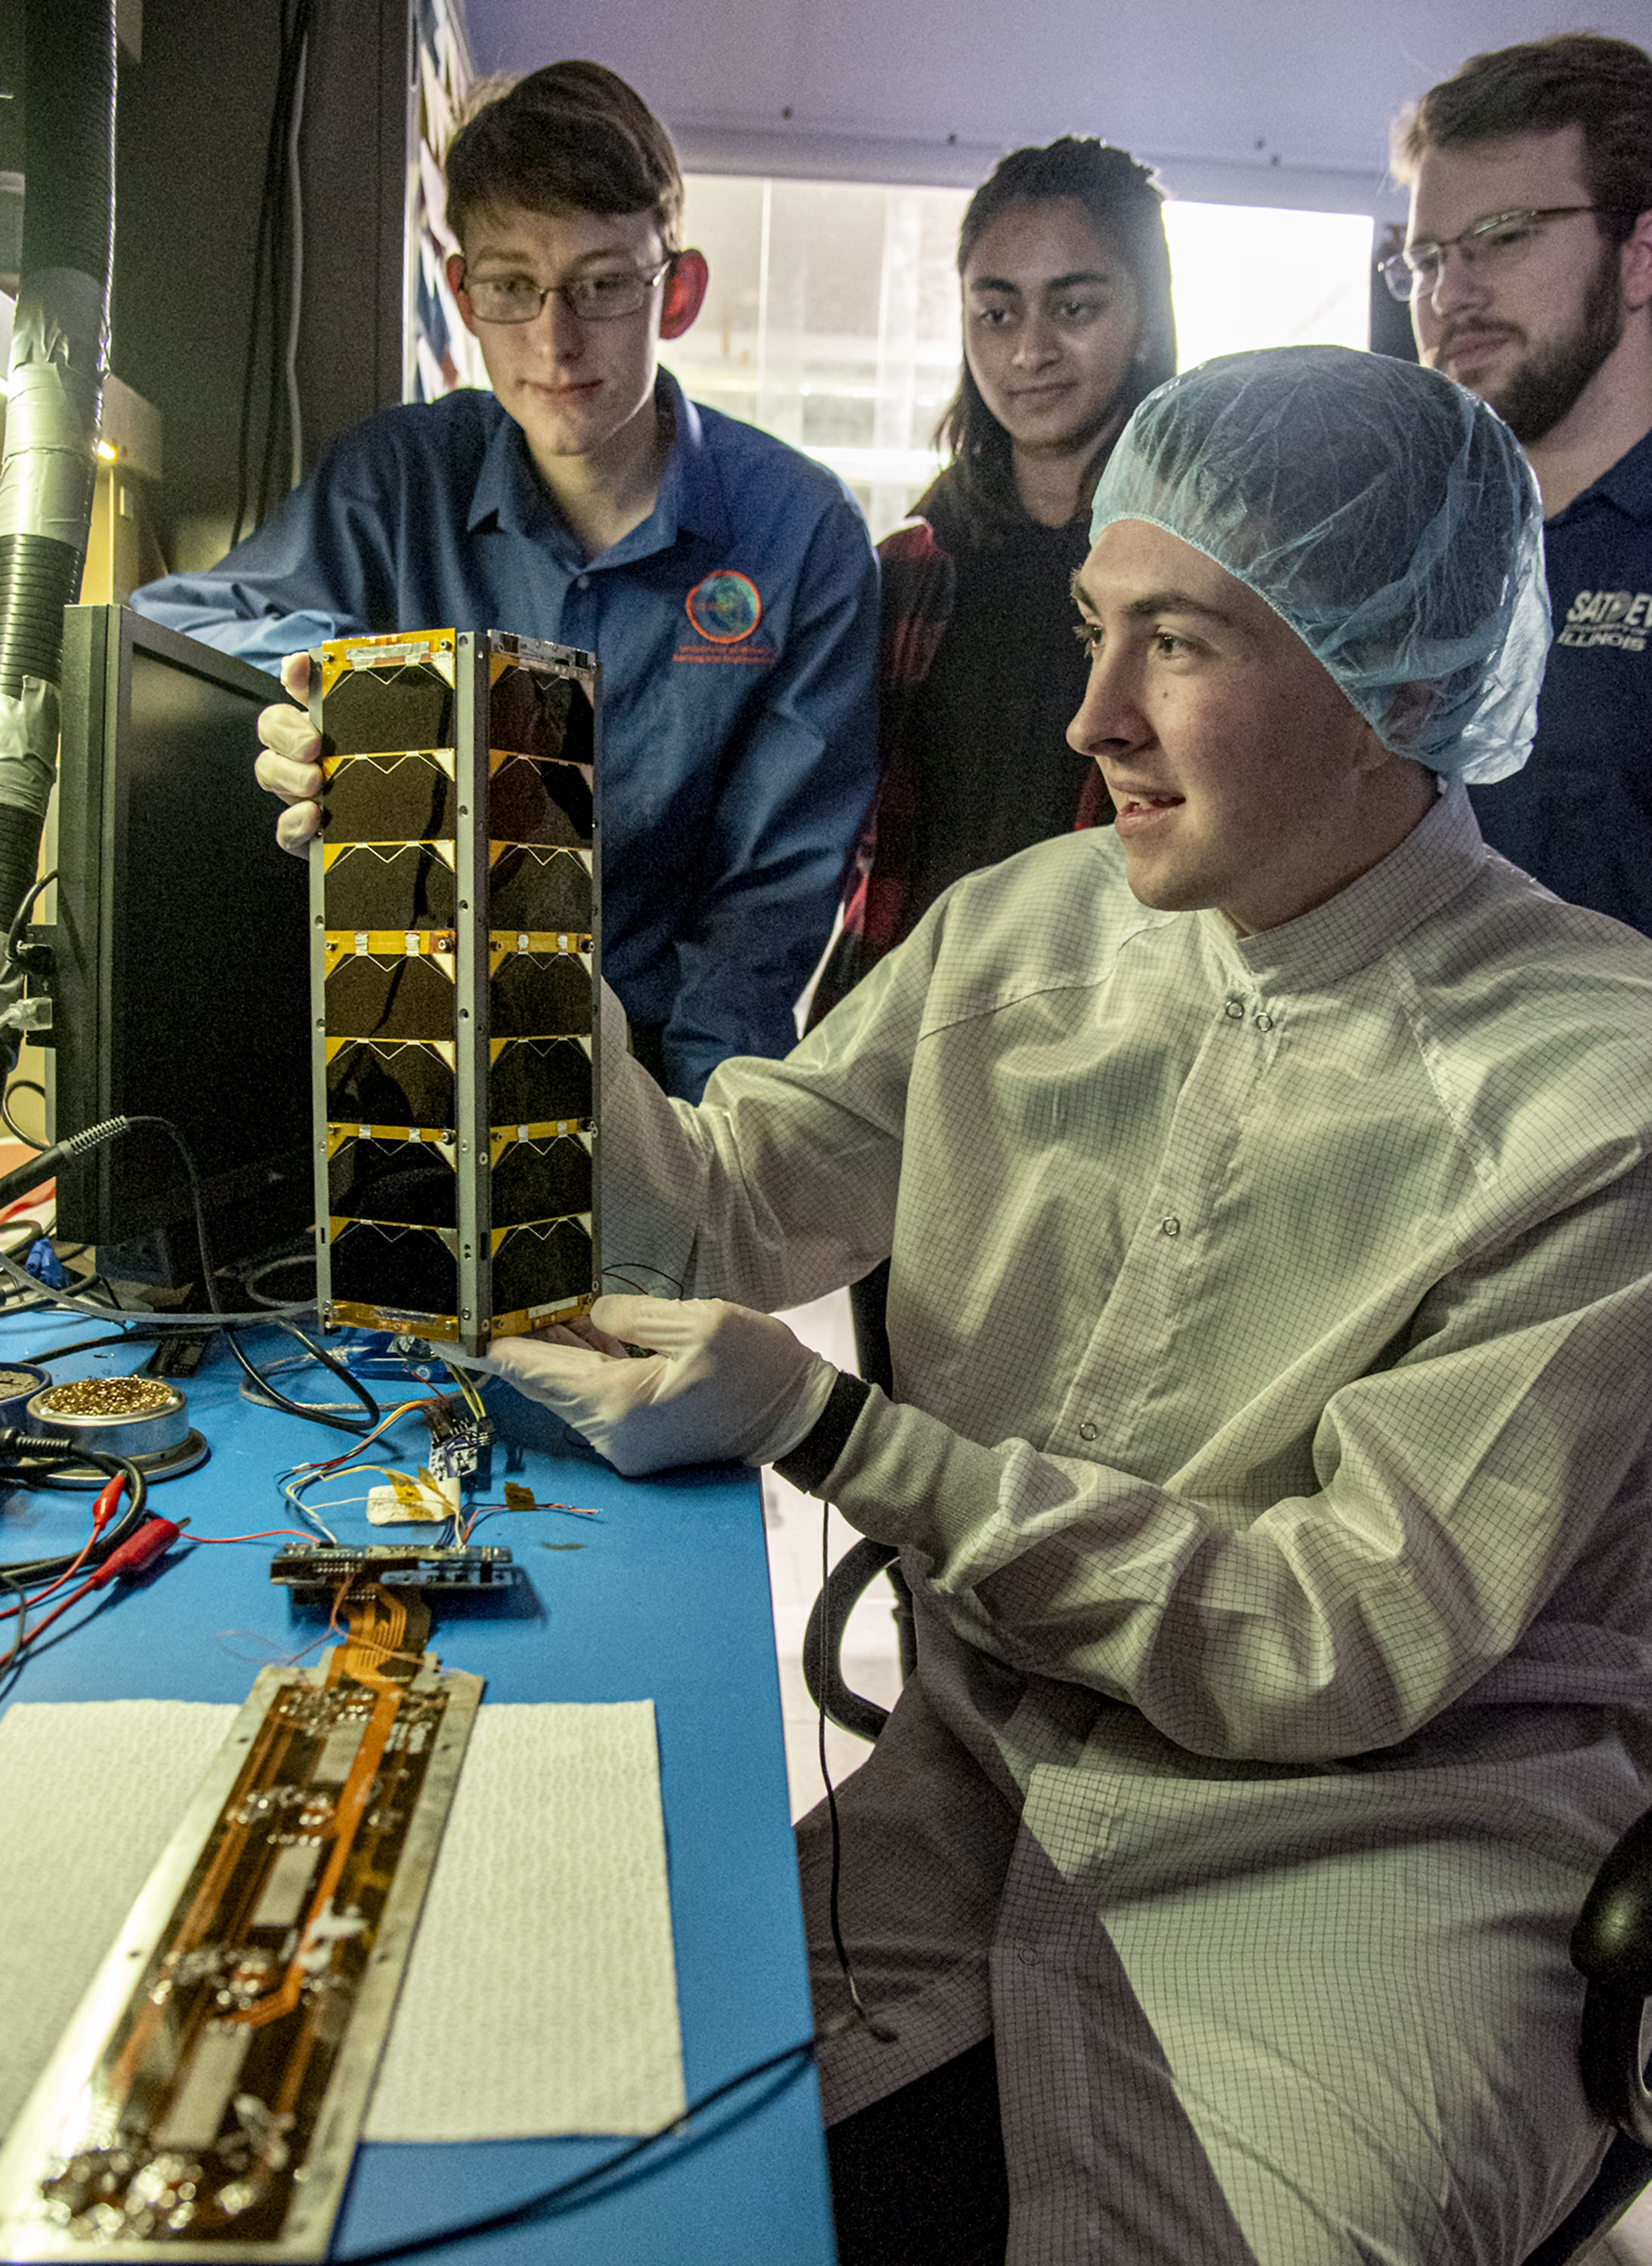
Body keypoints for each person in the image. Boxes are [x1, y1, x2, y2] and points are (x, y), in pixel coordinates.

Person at [471, 347, 1652, 2264]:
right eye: (1099, 626)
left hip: (1373, 1851)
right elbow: (719, 1214)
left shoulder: (1599, 1095)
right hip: (979, 1762)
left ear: (1389, 684)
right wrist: (505, 927)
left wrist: (836, 1430)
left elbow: (1330, 1638)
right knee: (585, 2168)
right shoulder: (1029, 929)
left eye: (1174, 643)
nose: (1092, 713)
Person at [134, 62, 878, 1101]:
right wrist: (331, 700)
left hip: (646, 1081)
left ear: (677, 288)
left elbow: (763, 916)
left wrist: (702, 1179)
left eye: (603, 284)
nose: (554, 340)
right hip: (397, 1064)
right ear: (461, 295)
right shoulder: (395, 477)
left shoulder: (802, 534)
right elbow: (175, 621)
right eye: (511, 287)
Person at [808, 137, 1176, 1025]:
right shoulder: (910, 569)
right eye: (997, 313)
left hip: (1111, 1019)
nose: (1030, 352)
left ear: (1145, 319)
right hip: (902, 1017)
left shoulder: (1199, 570)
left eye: (1076, 306)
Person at [1389, 32, 1652, 934]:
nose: (1448, 293)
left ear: (1640, 255)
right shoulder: (1405, 555)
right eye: (1425, 261)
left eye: (1502, 238)